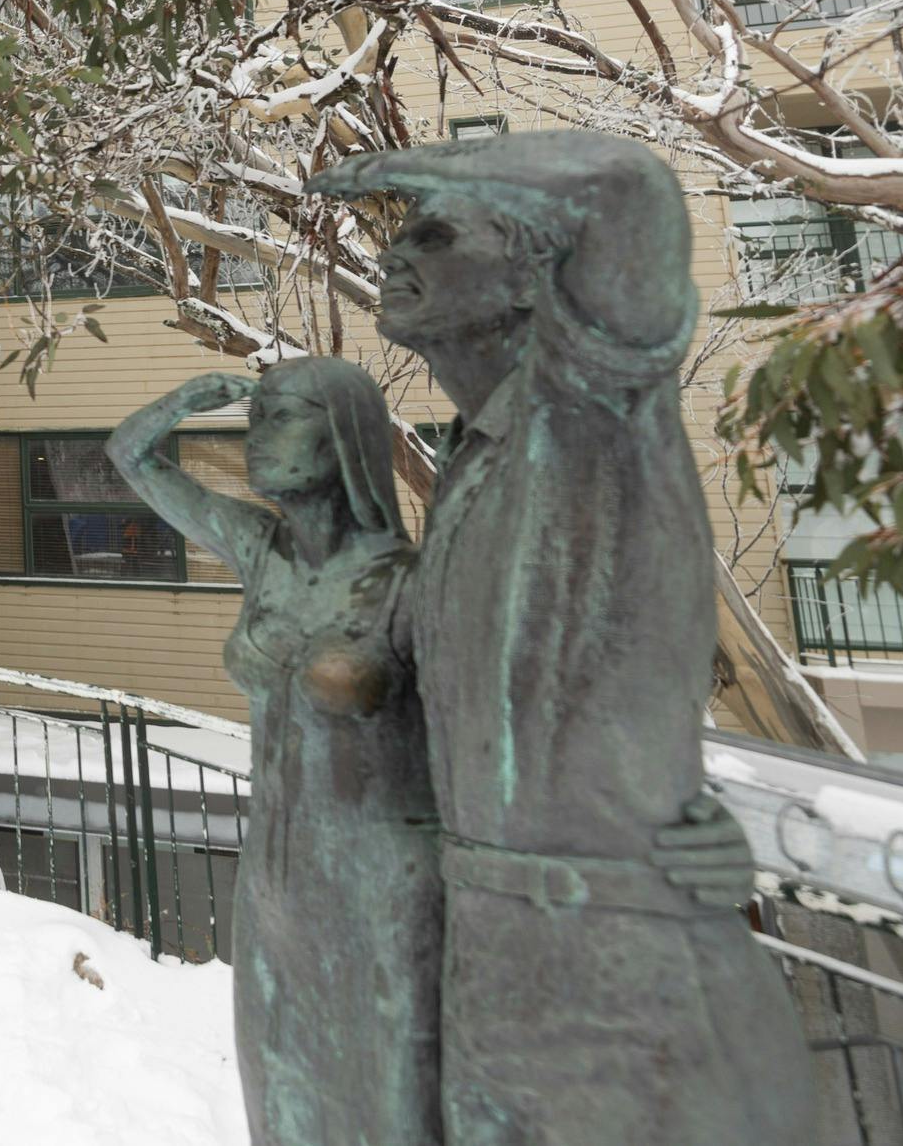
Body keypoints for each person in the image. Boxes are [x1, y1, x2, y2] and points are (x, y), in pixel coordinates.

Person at [307, 132, 817, 1146]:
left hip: (621, 975)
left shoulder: (593, 418)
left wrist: (415, 163)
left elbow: (631, 191)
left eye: (436, 233)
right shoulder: (470, 467)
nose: (394, 252)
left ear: (531, 274)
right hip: (492, 969)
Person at [109, 360, 440, 1146]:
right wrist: (188, 396)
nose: (255, 435)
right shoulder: (262, 550)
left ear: (346, 437)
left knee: (394, 1112)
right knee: (277, 1096)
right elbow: (130, 454)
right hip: (275, 880)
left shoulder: (413, 583)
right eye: (253, 417)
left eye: (281, 416)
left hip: (386, 886)